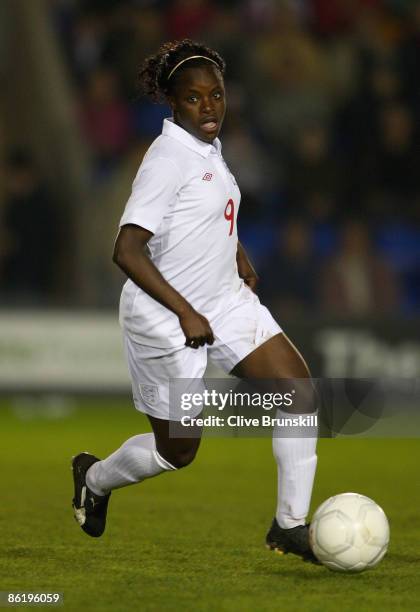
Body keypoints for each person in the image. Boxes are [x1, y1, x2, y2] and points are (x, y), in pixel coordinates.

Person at [71, 39, 318, 562]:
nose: (209, 108)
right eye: (194, 98)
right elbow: (127, 249)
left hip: (223, 302)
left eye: (217, 95)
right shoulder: (166, 158)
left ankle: (288, 525)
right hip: (166, 319)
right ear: (172, 102)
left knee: (297, 392)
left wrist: (236, 252)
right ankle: (94, 477)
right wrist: (185, 311)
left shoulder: (207, 146)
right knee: (177, 451)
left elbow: (201, 215)